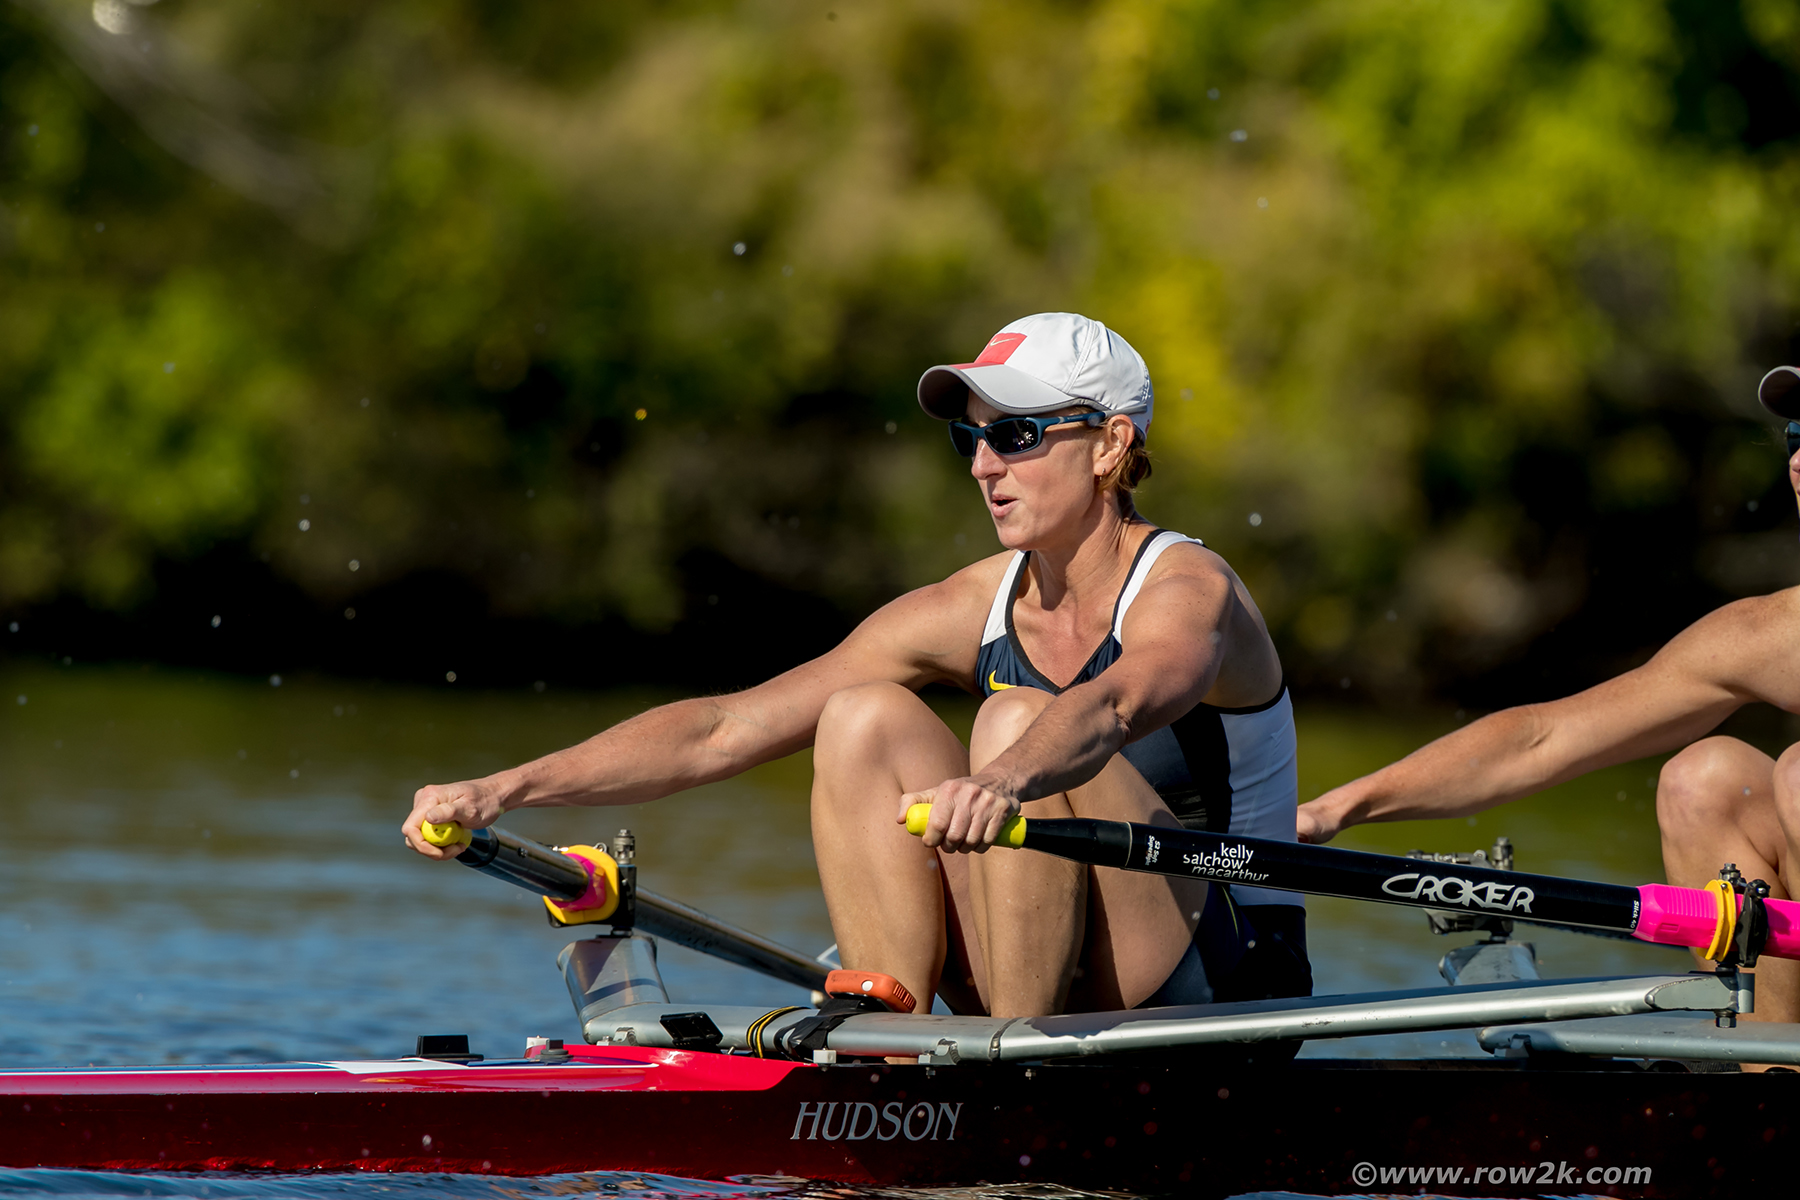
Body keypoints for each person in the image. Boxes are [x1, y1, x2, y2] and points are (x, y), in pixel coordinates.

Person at [403, 311, 1310, 1019]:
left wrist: (998, 778)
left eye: (1018, 437)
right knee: (861, 716)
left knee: (1012, 717)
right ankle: (904, 1042)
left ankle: (1015, 1075)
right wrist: (506, 788)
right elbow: (728, 728)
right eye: (971, 439)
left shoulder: (1193, 588)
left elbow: (1115, 705)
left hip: (1228, 983)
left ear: (1111, 446)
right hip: (1058, 968)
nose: (984, 466)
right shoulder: (971, 603)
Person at [1297, 365, 1800, 1026]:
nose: (1799, 459)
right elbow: (1544, 738)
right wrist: (1336, 809)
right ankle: (1767, 1079)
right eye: (1796, 432)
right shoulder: (1771, 636)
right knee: (1703, 781)